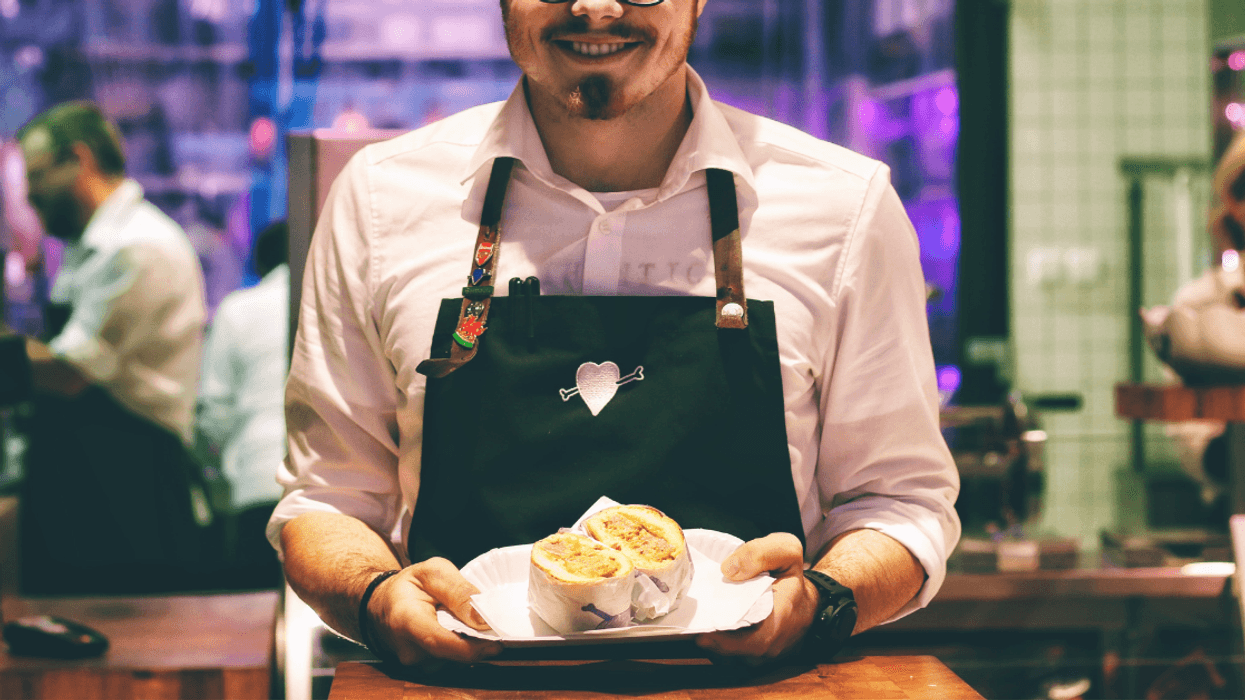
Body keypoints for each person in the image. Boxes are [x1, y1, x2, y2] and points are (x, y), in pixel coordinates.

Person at [269, 0, 960, 666]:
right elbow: (329, 499)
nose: (596, 7)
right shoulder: (383, 200)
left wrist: (820, 604)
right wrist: (377, 598)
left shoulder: (840, 208)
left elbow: (898, 502)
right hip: (467, 690)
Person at [5, 101, 210, 594]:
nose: (27, 194)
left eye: (35, 175)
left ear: (80, 159)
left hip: (130, 486)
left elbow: (69, 373)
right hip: (93, 479)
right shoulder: (92, 247)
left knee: (131, 657)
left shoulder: (137, 246)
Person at [197, 220, 289, 589]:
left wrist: (217, 483)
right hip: (334, 496)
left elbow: (213, 415)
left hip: (257, 482)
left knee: (257, 617)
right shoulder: (343, 303)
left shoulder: (239, 309)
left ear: (260, 265)